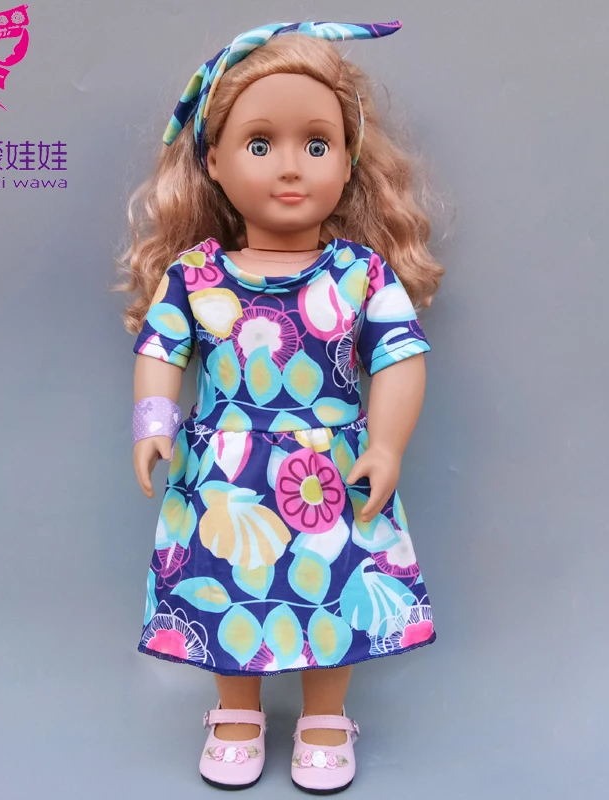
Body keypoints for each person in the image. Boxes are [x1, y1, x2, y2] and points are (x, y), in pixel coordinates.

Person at [114, 20, 445, 794]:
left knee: (333, 586)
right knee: (227, 581)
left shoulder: (361, 275)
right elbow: (162, 351)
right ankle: (237, 713)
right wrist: (154, 424)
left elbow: (399, 357)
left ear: (348, 160)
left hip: (331, 472)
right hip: (225, 475)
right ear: (215, 161)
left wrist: (387, 446)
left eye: (317, 144)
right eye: (260, 144)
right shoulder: (196, 276)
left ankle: (325, 717)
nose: (291, 167)